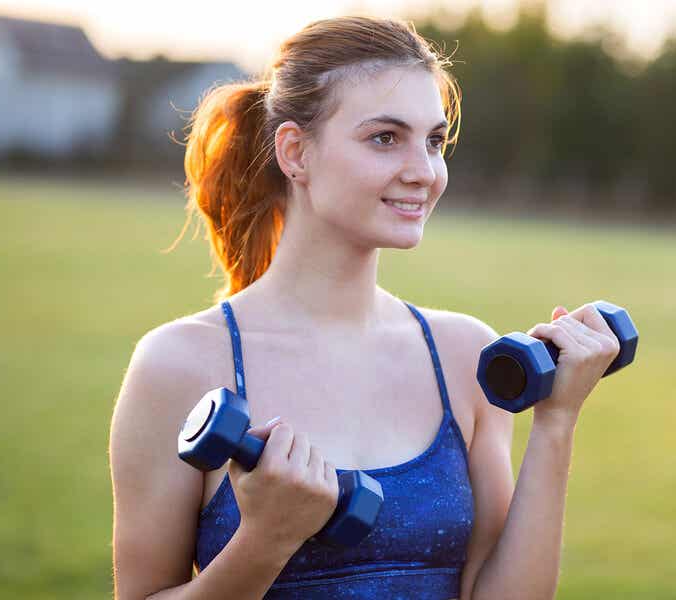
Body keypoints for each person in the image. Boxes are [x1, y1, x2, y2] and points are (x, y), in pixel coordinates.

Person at [109, 15, 620, 600]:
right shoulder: (177, 367)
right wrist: (266, 541)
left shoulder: (462, 355)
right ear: (296, 153)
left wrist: (556, 424)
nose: (423, 172)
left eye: (433, 141)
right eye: (385, 137)